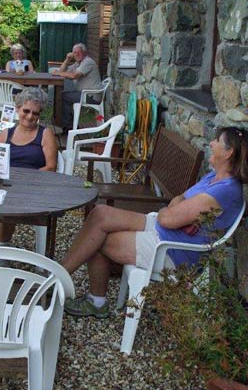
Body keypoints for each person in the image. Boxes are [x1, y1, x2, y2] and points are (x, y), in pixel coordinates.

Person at [62, 127, 248, 318]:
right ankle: (59, 274)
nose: (211, 143)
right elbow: (178, 198)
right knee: (100, 214)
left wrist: (171, 213)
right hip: (164, 230)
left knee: (98, 239)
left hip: (173, 251)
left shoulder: (224, 191)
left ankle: (92, 300)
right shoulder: (213, 177)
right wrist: (173, 212)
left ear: (229, 152)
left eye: (217, 141)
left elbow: (168, 218)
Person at [0, 87, 58, 250]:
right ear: (17, 109)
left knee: (9, 199)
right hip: (6, 182)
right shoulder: (6, 134)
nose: (30, 116)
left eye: (35, 113)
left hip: (32, 184)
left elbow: (51, 167)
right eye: (26, 111)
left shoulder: (45, 134)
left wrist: (26, 179)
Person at [51, 43, 102, 131]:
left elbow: (74, 75)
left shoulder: (87, 62)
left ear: (85, 53)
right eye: (74, 53)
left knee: (63, 96)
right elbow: (62, 71)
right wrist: (67, 59)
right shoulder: (78, 63)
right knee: (63, 95)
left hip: (91, 95)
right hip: (85, 94)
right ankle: (67, 124)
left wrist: (58, 73)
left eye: (79, 52)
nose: (77, 54)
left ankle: (68, 126)